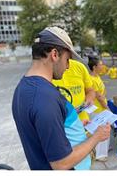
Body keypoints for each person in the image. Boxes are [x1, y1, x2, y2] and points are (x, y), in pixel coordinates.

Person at [12, 27, 110, 170]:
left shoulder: (23, 87)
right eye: (67, 59)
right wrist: (96, 137)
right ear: (55, 54)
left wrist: (74, 124)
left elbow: (45, 131)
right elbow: (61, 163)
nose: (68, 66)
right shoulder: (45, 99)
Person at [52, 57, 96, 124]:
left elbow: (90, 90)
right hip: (63, 126)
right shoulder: (47, 71)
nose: (67, 67)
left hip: (84, 122)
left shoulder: (79, 66)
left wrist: (89, 99)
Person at [88, 56, 110, 162]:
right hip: (97, 110)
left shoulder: (97, 77)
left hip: (101, 109)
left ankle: (101, 151)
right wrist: (108, 109)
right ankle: (99, 155)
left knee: (102, 130)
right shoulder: (91, 79)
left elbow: (102, 94)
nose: (102, 66)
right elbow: (99, 97)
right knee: (100, 131)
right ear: (94, 67)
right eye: (100, 64)